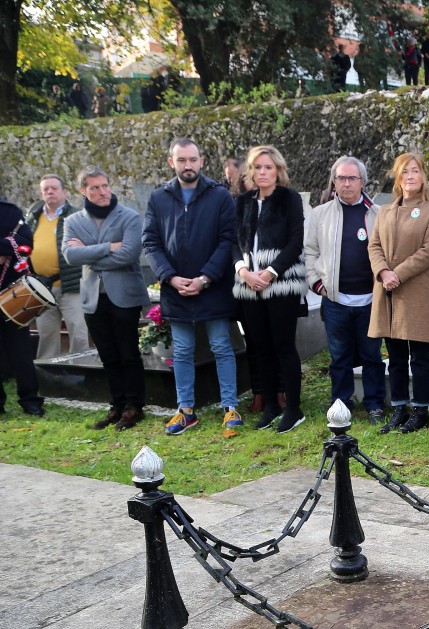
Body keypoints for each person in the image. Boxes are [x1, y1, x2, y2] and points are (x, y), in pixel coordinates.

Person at [143, 137, 242, 436]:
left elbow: (228, 240)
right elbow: (151, 242)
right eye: (181, 160)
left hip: (212, 286)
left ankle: (230, 407)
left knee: (222, 347)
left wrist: (205, 278)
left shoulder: (219, 196)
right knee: (183, 351)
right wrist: (170, 277)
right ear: (171, 162)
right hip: (176, 289)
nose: (188, 165)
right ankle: (186, 410)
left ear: (201, 161)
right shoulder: (158, 198)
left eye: (193, 159)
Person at [62, 167, 149, 430]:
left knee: (128, 353)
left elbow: (130, 255)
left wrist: (88, 252)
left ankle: (134, 407)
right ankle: (117, 405)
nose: (102, 192)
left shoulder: (129, 217)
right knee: (108, 355)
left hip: (125, 295)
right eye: (95, 188)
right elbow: (69, 256)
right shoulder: (73, 221)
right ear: (82, 191)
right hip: (92, 297)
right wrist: (109, 247)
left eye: (105, 186)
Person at [305, 156, 386, 425]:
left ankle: (374, 404)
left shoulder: (377, 214)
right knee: (339, 357)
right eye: (341, 178)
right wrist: (318, 285)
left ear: (362, 181)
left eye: (352, 178)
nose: (346, 183)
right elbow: (310, 253)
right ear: (334, 181)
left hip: (370, 300)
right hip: (336, 300)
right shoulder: (320, 214)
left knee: (372, 355)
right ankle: (341, 404)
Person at [233, 145, 308, 434]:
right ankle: (270, 406)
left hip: (281, 283)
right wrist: (243, 271)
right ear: (250, 172)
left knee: (284, 346)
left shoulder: (289, 199)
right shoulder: (243, 202)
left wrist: (270, 272)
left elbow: (295, 241)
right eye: (257, 168)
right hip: (248, 284)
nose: (262, 173)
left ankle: (293, 408)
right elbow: (233, 241)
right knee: (260, 347)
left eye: (268, 167)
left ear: (278, 170)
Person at [370, 153, 429, 434]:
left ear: (423, 176)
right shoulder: (385, 211)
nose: (410, 176)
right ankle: (399, 408)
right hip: (388, 291)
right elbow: (374, 245)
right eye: (405, 172)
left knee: (420, 355)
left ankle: (421, 410)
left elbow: (428, 251)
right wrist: (383, 272)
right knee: (396, 355)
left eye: (415, 171)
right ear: (398, 178)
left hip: (415, 291)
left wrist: (397, 273)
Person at [26, 174, 88, 360]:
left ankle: (83, 376)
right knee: (46, 335)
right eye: (46, 189)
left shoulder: (76, 215)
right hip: (42, 287)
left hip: (71, 285)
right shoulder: (33, 217)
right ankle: (48, 378)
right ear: (41, 193)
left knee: (78, 331)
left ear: (65, 192)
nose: (50, 192)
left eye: (54, 188)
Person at [0, 197, 45, 416]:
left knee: (21, 353)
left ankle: (30, 400)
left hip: (12, 293)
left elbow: (25, 242)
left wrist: (6, 249)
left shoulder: (9, 212)